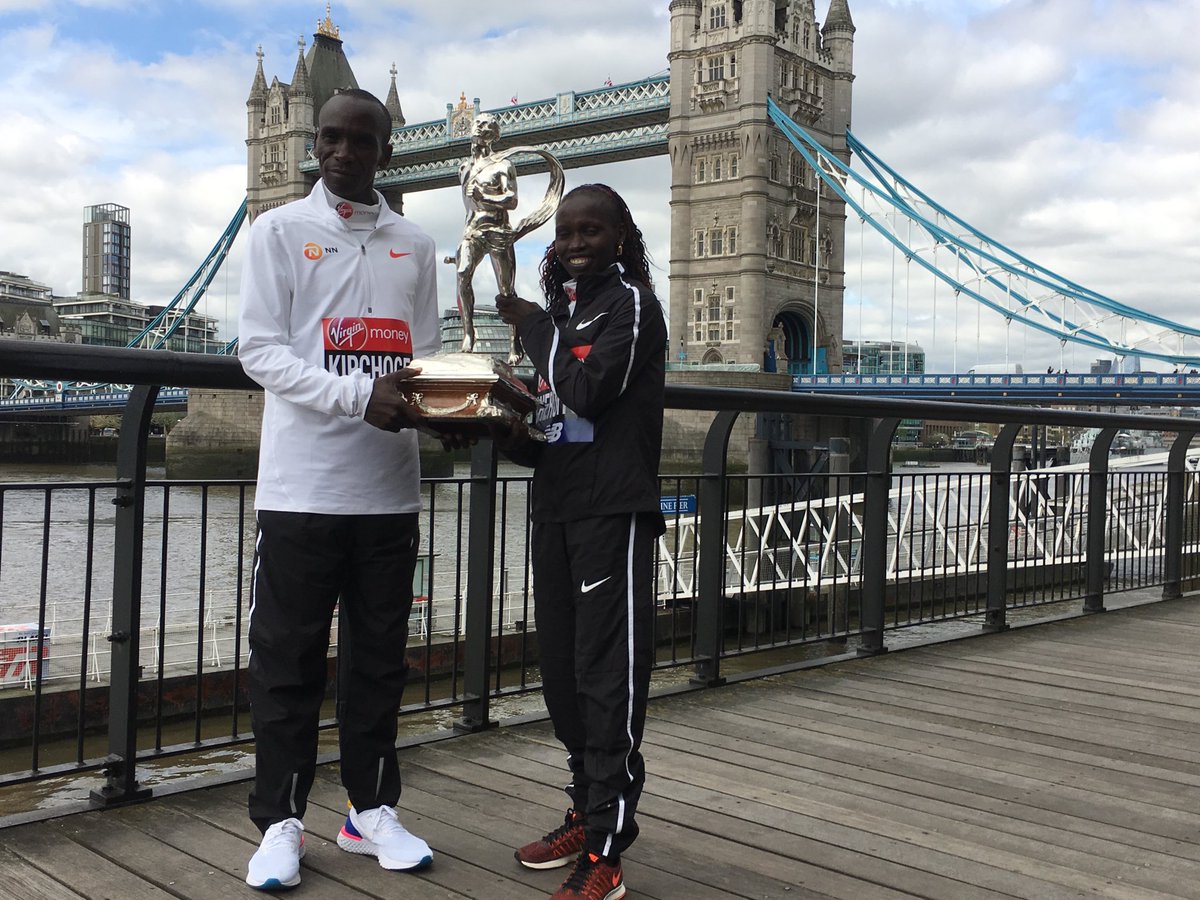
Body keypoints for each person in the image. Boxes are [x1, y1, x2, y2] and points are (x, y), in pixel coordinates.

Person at [237, 88, 439, 891]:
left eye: (362, 140)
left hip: (389, 493)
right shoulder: (277, 232)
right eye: (330, 138)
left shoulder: (418, 244)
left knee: (379, 664)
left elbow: (418, 357)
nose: (343, 153)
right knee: (286, 663)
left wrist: (448, 409)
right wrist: (360, 397)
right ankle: (281, 824)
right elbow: (258, 351)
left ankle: (369, 813)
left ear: (387, 151)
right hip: (301, 490)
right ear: (313, 145)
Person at [495, 183, 667, 900]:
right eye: (565, 232)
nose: (573, 243)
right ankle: (584, 807)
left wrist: (535, 328)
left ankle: (606, 849)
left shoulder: (628, 303)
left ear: (621, 237)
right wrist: (497, 426)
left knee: (607, 679)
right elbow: (559, 430)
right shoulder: (568, 312)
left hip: (611, 516)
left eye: (590, 231)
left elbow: (591, 391)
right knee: (563, 675)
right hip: (558, 511)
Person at [455, 112, 519, 356]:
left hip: (497, 230)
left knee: (506, 289)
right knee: (462, 273)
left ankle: (515, 342)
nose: (478, 128)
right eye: (476, 123)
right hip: (472, 230)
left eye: (485, 125)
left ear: (493, 135)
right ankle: (469, 333)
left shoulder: (503, 165)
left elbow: (512, 200)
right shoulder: (464, 167)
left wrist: (486, 198)